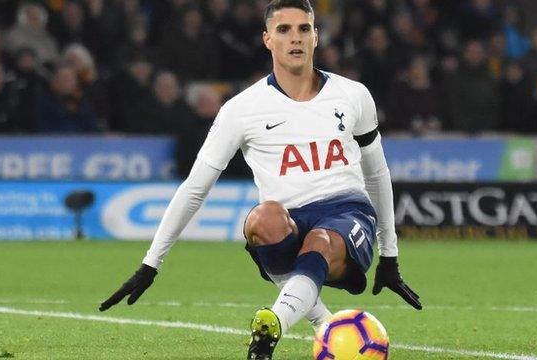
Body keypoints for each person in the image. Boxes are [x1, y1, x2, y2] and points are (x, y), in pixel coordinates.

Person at [99, 1, 422, 359]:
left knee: (320, 240)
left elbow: (376, 173)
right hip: (289, 220)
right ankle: (322, 324)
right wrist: (151, 263)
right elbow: (194, 188)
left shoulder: (353, 95)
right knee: (261, 218)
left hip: (347, 213)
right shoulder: (241, 109)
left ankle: (272, 325)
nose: (295, 38)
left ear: (316, 36)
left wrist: (389, 255)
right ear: (267, 39)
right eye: (284, 30)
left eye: (303, 29)